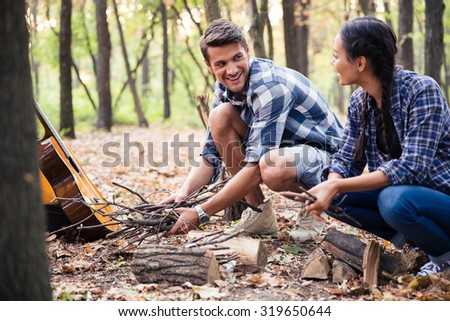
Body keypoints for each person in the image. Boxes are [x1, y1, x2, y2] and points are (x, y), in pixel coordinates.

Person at [163, 18, 343, 240]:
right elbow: (211, 155)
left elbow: (256, 168)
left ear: (247, 52)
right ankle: (260, 216)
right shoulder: (224, 86)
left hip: (330, 161)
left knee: (272, 167)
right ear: (209, 65)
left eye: (237, 58)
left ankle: (312, 208)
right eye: (220, 64)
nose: (231, 69)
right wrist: (183, 194)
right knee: (220, 117)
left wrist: (201, 213)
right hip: (287, 151)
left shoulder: (270, 87)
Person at [305, 16, 450, 276]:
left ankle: (443, 257)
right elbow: (346, 159)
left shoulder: (422, 91)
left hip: (440, 197)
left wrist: (336, 184)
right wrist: (331, 183)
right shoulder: (359, 101)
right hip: (406, 200)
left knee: (393, 200)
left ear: (360, 63)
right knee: (333, 193)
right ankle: (415, 244)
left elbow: (412, 169)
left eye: (336, 56)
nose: (333, 63)